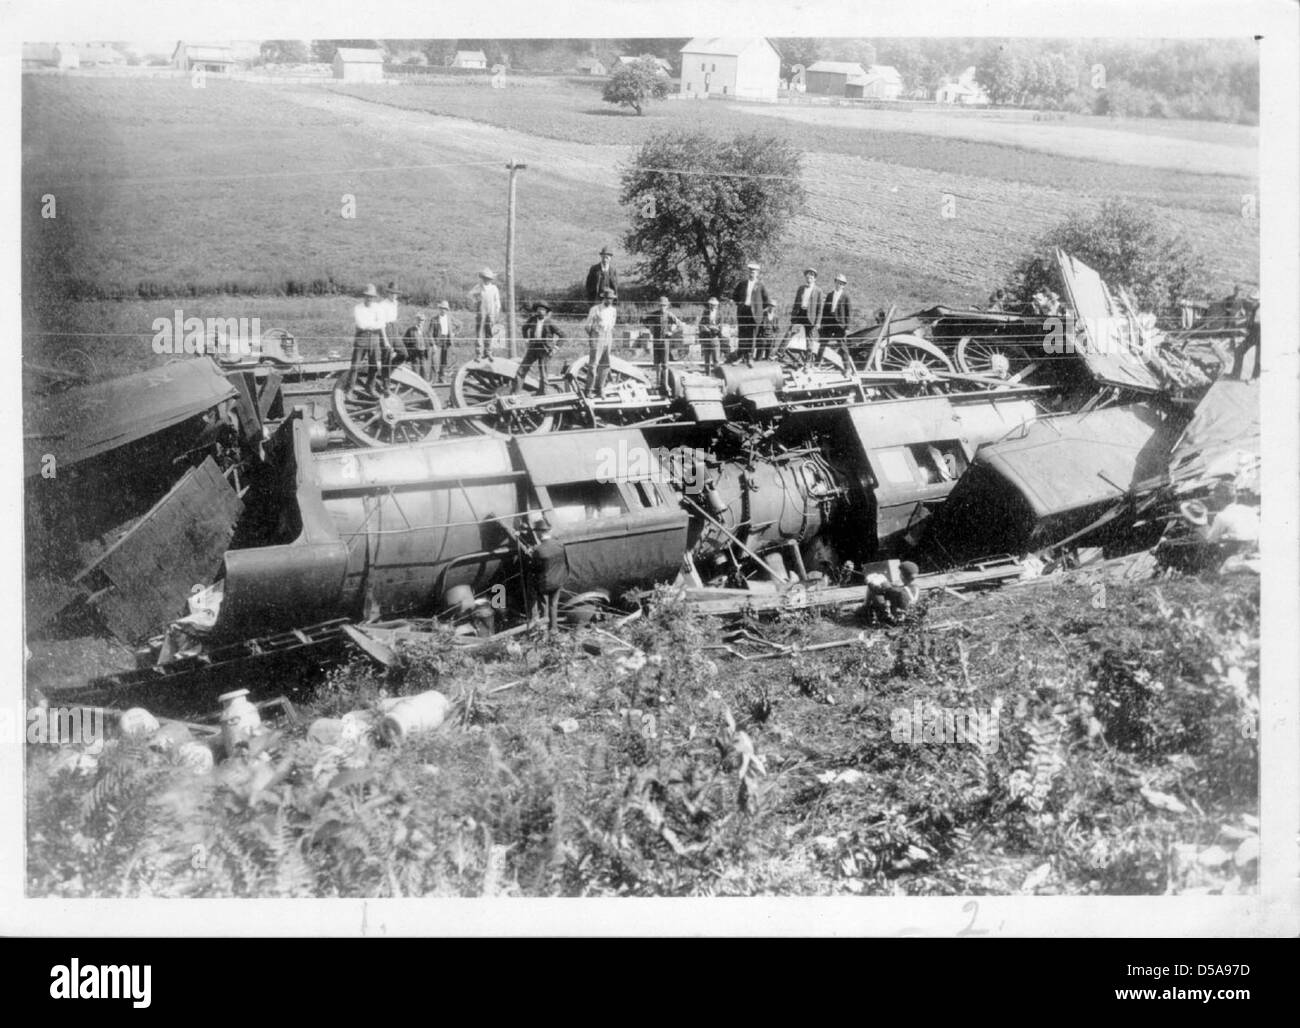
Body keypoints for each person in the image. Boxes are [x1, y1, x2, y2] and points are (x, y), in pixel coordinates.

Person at [526, 518, 569, 633]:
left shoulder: (539, 550)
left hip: (546, 585)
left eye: (536, 532)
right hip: (559, 580)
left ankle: (539, 625)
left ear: (539, 533)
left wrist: (531, 553)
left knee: (533, 590)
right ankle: (554, 629)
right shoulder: (559, 544)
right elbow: (565, 562)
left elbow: (534, 569)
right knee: (553, 604)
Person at [349, 284, 393, 393]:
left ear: (374, 298)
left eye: (371, 297)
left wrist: (371, 325)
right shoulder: (358, 308)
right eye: (367, 296)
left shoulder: (377, 308)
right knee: (355, 366)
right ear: (364, 296)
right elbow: (360, 324)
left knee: (373, 366)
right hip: (361, 338)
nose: (369, 299)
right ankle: (349, 389)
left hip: (374, 339)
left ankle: (370, 387)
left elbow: (381, 323)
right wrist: (374, 324)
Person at [513, 301, 565, 394]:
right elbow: (524, 328)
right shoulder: (532, 319)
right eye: (538, 309)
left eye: (542, 310)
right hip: (533, 348)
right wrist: (527, 340)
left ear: (546, 312)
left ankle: (543, 395)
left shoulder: (550, 323)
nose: (540, 311)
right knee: (522, 369)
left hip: (545, 350)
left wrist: (555, 348)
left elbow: (563, 335)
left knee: (543, 373)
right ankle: (515, 394)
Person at [643, 295, 686, 392]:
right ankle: (658, 383)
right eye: (661, 305)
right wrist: (650, 328)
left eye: (664, 305)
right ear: (659, 305)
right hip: (656, 341)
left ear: (667, 306)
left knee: (665, 364)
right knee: (657, 364)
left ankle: (666, 384)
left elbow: (680, 325)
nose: (662, 307)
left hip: (665, 342)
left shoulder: (669, 315)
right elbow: (644, 320)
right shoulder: (655, 314)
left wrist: (672, 332)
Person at [582, 287, 619, 397]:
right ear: (604, 298)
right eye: (608, 298)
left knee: (606, 363)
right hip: (597, 335)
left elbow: (612, 324)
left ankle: (600, 388)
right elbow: (587, 325)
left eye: (611, 299)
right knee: (593, 364)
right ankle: (588, 389)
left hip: (608, 336)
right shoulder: (596, 309)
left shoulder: (613, 310)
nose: (609, 301)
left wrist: (608, 335)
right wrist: (593, 337)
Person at [731, 262, 769, 363]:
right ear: (748, 272)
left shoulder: (761, 286)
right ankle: (740, 356)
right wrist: (740, 305)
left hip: (755, 314)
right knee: (742, 334)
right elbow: (735, 296)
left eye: (754, 272)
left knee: (752, 336)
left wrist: (758, 310)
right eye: (750, 271)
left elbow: (767, 301)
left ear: (757, 273)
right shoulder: (742, 284)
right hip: (743, 312)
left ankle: (749, 357)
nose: (752, 273)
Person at [782, 267, 822, 356]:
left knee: (809, 339)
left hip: (810, 317)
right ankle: (779, 353)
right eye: (808, 277)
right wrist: (793, 316)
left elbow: (820, 309)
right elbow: (796, 303)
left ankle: (808, 361)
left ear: (815, 279)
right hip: (800, 314)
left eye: (811, 277)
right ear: (805, 278)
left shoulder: (818, 291)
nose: (809, 279)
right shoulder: (801, 288)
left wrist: (818, 322)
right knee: (789, 332)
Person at [817, 273, 852, 366]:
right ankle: (817, 364)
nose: (839, 285)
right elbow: (824, 311)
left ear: (844, 285)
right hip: (828, 323)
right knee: (822, 344)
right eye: (837, 282)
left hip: (839, 325)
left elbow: (848, 313)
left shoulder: (846, 297)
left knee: (843, 346)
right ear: (835, 282)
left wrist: (847, 327)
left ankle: (847, 368)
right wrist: (821, 324)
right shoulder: (829, 295)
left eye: (841, 283)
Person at [470, 268, 501, 360]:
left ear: (491, 279)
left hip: (491, 314)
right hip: (481, 313)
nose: (486, 280)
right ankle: (478, 354)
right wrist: (476, 302)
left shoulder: (494, 288)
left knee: (489, 334)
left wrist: (497, 312)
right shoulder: (478, 287)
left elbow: (497, 302)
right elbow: (470, 295)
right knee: (479, 334)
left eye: (488, 278)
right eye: (485, 278)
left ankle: (488, 352)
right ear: (482, 278)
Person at [1231, 294, 1260, 380]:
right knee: (1239, 351)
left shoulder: (1261, 309)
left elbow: (1255, 323)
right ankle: (1235, 374)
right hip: (1253, 334)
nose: (1251, 302)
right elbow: (1250, 321)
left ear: (1258, 301)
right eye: (1251, 300)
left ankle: (1255, 377)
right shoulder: (1254, 308)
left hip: (1261, 335)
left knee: (1259, 359)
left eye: (1253, 300)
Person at [428, 300, 457, 383]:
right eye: (441, 308)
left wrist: (454, 333)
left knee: (444, 361)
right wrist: (433, 344)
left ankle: (442, 378)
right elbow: (429, 333)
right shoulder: (434, 319)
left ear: (447, 310)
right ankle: (432, 380)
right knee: (434, 360)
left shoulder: (450, 318)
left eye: (445, 309)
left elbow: (459, 325)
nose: (443, 310)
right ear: (439, 309)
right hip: (437, 342)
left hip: (446, 342)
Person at [696, 297, 724, 374]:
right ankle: (707, 375)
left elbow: (720, 326)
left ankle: (717, 375)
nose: (712, 306)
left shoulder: (720, 314)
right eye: (711, 304)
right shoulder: (705, 312)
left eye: (714, 305)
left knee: (716, 359)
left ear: (717, 305)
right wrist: (704, 327)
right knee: (706, 359)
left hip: (715, 337)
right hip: (706, 337)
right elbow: (701, 323)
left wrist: (715, 329)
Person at [401, 311, 430, 378]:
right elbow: (404, 341)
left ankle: (424, 384)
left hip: (423, 352)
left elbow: (428, 341)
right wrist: (409, 349)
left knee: (424, 368)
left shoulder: (425, 330)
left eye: (422, 320)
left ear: (424, 321)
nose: (420, 321)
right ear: (416, 320)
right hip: (414, 352)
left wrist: (427, 348)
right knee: (415, 368)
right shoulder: (410, 330)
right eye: (419, 319)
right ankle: (416, 384)